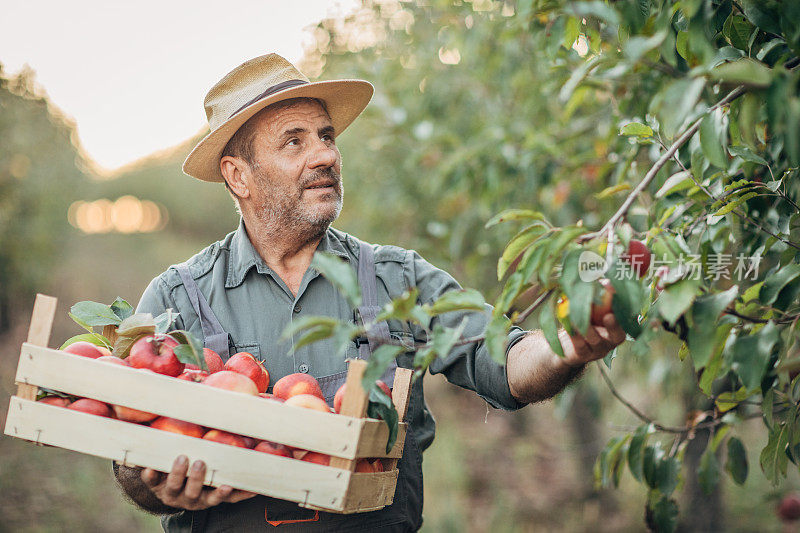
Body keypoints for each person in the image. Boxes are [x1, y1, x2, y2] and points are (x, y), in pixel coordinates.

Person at [113, 54, 626, 532]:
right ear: (238, 176)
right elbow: (128, 460)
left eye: (326, 136)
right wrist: (155, 484)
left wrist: (565, 343)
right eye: (294, 142)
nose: (325, 156)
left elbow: (504, 360)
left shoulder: (396, 279)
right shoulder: (177, 298)